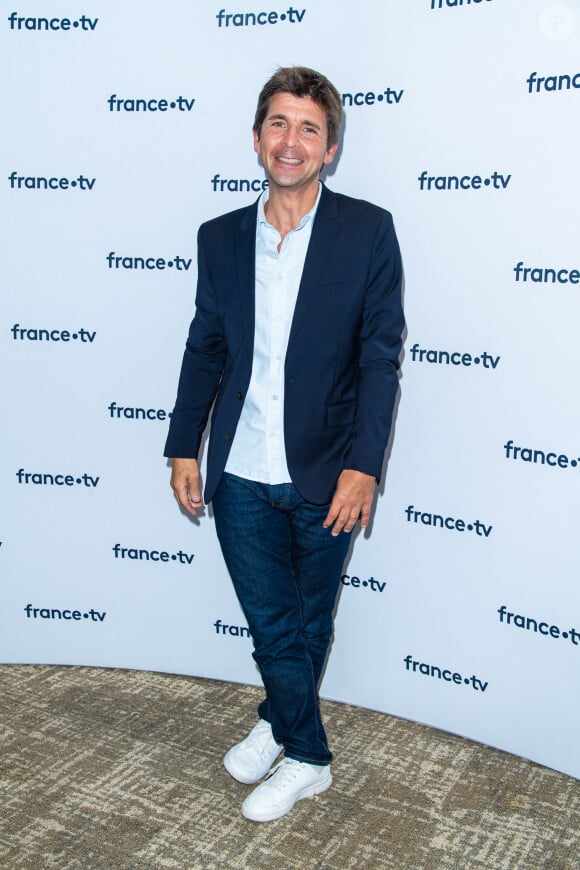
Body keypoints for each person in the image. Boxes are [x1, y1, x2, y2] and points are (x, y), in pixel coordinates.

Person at [164, 66, 404, 822]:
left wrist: (365, 466)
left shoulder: (367, 230)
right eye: (277, 123)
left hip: (329, 468)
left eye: (308, 128)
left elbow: (378, 356)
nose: (290, 141)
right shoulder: (219, 237)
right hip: (238, 468)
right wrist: (181, 447)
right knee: (274, 620)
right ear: (257, 136)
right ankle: (306, 750)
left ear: (330, 147)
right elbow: (206, 346)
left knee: (307, 620)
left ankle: (285, 732)